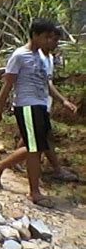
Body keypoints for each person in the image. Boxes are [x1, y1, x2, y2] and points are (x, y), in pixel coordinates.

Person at [0, 19, 77, 208]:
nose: (50, 41)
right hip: (27, 106)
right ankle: (34, 192)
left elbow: (46, 84)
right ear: (35, 35)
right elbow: (7, 85)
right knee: (34, 148)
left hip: (41, 105)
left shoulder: (43, 58)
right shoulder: (20, 55)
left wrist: (63, 101)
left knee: (37, 146)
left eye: (52, 38)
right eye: (46, 37)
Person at [39, 27, 78, 181]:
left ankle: (13, 160)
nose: (55, 43)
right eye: (52, 39)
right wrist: (63, 100)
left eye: (56, 40)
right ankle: (57, 170)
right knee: (44, 137)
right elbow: (47, 84)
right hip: (37, 103)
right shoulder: (38, 58)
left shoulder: (49, 58)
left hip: (43, 103)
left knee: (37, 137)